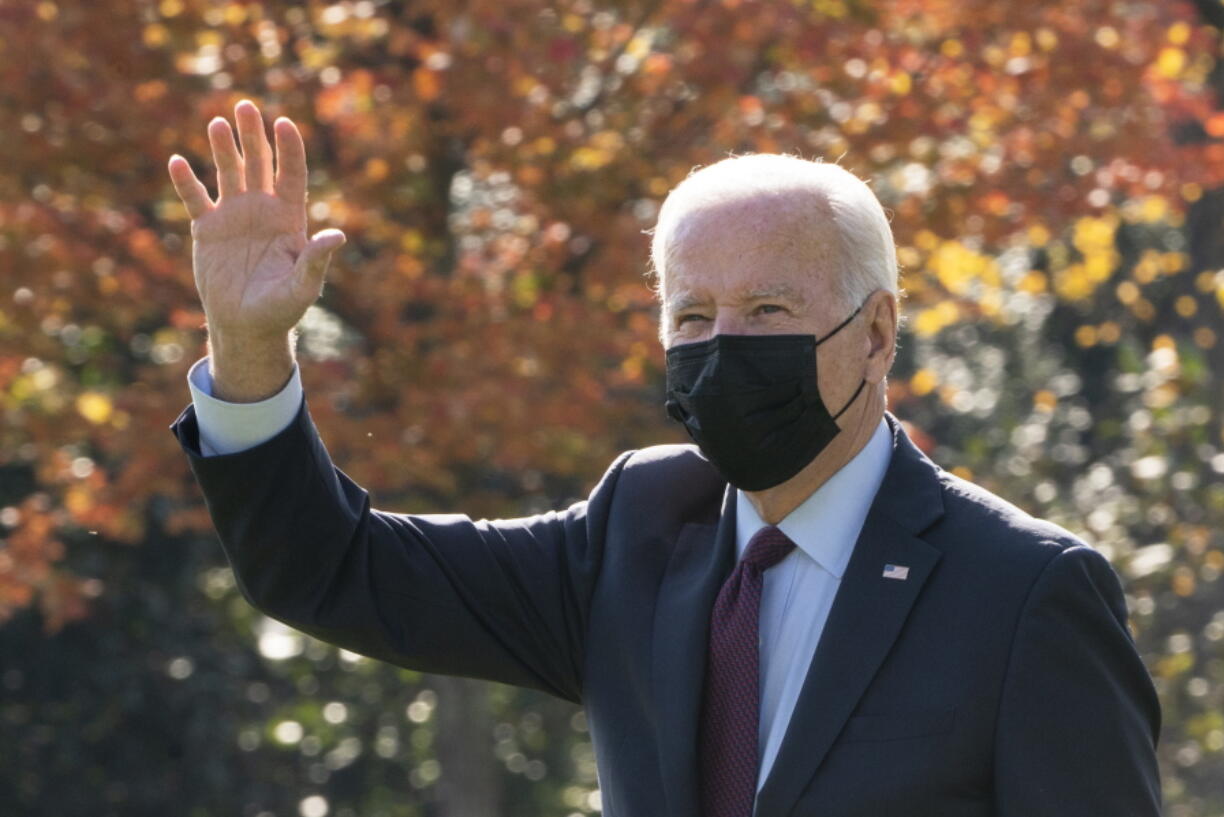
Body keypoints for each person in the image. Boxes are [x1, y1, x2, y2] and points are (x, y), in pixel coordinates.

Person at [167, 100, 1162, 817]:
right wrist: (249, 352)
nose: (723, 344)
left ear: (874, 333)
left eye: (768, 310)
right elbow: (331, 569)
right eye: (692, 315)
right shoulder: (634, 530)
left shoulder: (1024, 593)